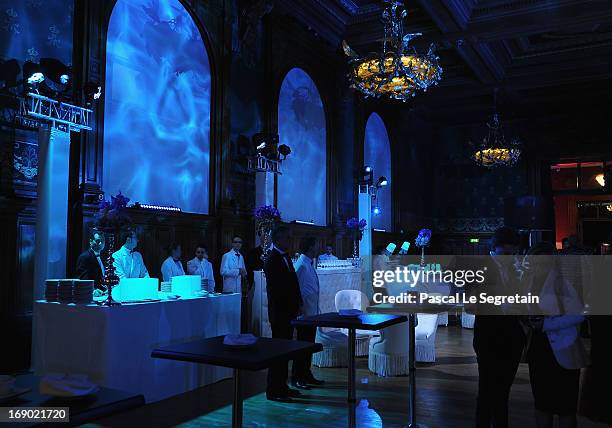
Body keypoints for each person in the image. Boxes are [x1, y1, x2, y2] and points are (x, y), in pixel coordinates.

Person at [523, 242, 587, 428]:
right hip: (538, 347)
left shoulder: (562, 283)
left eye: (544, 263)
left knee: (565, 407)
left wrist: (547, 324)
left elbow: (579, 314)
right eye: (535, 263)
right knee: (542, 404)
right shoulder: (529, 282)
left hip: (563, 349)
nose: (539, 267)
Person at [473, 227, 526, 428]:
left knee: (503, 392)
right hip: (488, 339)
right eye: (506, 254)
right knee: (487, 393)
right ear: (493, 250)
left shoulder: (515, 269)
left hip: (512, 339)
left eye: (513, 254)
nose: (511, 258)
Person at [264, 225, 303, 402]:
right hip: (280, 312)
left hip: (288, 312)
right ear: (278, 239)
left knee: (285, 351)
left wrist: (298, 304)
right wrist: (290, 306)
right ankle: (273, 389)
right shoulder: (272, 259)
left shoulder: (285, 257)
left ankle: (282, 385)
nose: (290, 240)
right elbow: (279, 289)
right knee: (278, 352)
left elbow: (293, 283)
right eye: (287, 237)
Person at [291, 236, 325, 389]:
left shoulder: (308, 263)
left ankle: (306, 373)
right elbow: (294, 286)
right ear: (310, 247)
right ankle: (298, 376)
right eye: (316, 245)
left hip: (311, 312)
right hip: (304, 312)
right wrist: (299, 306)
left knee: (309, 344)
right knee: (302, 346)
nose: (318, 248)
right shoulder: (301, 265)